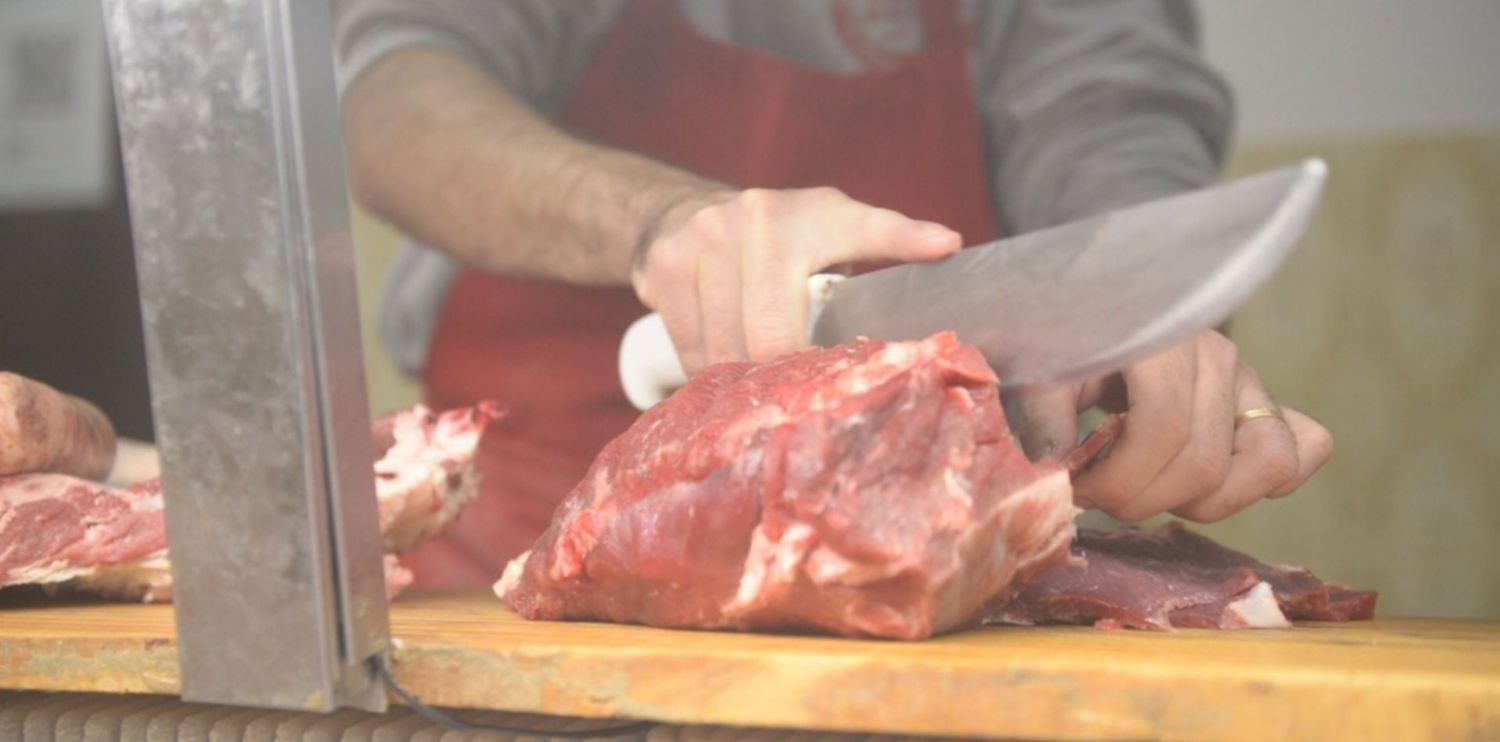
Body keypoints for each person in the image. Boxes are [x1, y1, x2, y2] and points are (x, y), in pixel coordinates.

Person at [333, 0, 1332, 588]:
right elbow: (391, 91)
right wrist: (659, 220)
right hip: (525, 552)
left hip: (913, 564)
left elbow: (1113, 112)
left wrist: (1143, 295)